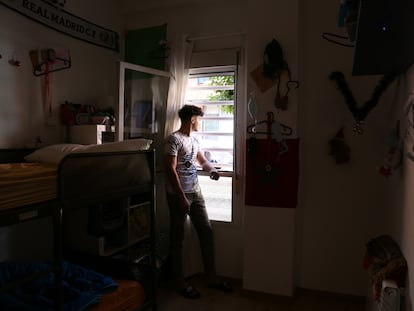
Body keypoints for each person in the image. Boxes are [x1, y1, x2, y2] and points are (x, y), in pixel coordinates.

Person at [164, 104, 233, 299]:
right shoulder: (173, 139)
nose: (200, 122)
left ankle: (211, 277)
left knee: (206, 231)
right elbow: (170, 168)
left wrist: (212, 170)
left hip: (196, 193)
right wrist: (180, 196)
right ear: (192, 118)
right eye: (199, 119)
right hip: (179, 195)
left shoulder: (194, 140)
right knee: (177, 239)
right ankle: (178, 280)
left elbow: (202, 160)